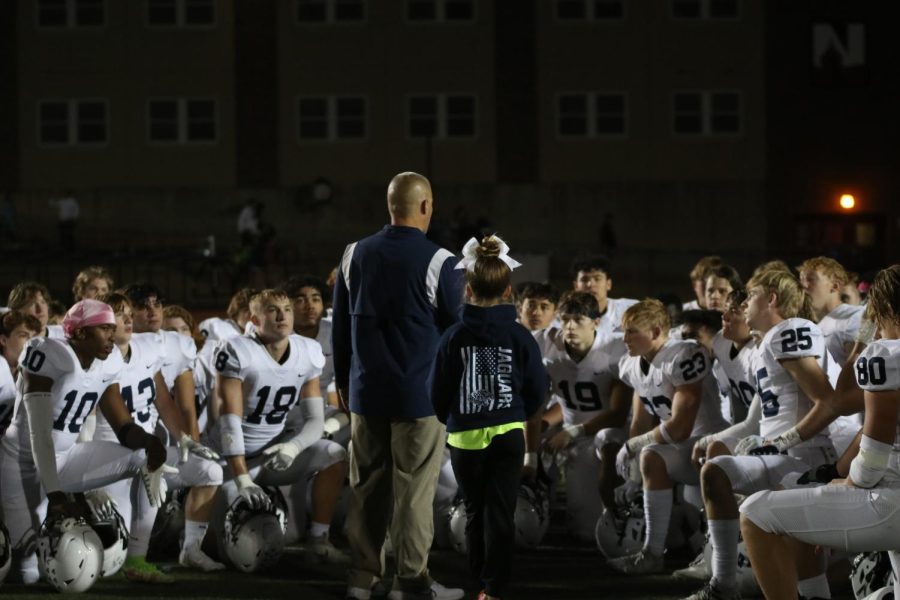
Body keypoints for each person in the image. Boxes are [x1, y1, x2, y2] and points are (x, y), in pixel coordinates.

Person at [333, 171, 465, 600]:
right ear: (425, 206)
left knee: (367, 488)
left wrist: (344, 384)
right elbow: (458, 333)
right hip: (419, 396)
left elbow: (339, 331)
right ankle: (409, 583)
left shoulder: (353, 254)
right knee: (413, 492)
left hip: (365, 392)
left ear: (390, 206)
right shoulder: (440, 261)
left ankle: (363, 576)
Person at [682, 267, 841, 600]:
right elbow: (765, 414)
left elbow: (827, 401)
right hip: (781, 456)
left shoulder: (789, 331)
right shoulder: (767, 342)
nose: (741, 305)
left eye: (750, 296)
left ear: (771, 299)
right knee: (717, 473)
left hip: (805, 457)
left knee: (800, 552)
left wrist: (784, 440)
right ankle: (723, 584)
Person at [0, 299, 169, 583]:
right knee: (27, 572)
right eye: (104, 329)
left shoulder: (108, 361)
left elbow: (123, 426)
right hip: (21, 464)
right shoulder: (50, 355)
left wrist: (150, 442)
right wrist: (57, 496)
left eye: (112, 328)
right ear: (79, 333)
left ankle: (137, 558)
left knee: (142, 459)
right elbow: (39, 435)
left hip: (64, 458)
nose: (112, 336)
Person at [430, 235, 546, 600]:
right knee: (500, 514)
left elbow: (438, 390)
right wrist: (517, 413)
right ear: (508, 289)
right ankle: (495, 590)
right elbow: (537, 388)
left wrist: (454, 416)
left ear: (467, 288)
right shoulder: (520, 334)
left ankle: (479, 581)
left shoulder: (453, 336)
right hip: (510, 432)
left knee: (475, 512)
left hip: (466, 437)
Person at [89, 293, 223, 582]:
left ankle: (187, 550)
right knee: (108, 564)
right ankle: (128, 554)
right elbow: (83, 418)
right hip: (108, 461)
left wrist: (184, 438)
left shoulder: (148, 347)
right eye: (118, 314)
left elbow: (163, 399)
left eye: (128, 313)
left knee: (209, 470)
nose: (126, 319)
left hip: (148, 454)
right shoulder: (95, 358)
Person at [212, 289, 349, 564]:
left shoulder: (307, 351)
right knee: (241, 553)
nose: (282, 316)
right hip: (233, 461)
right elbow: (229, 422)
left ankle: (319, 538)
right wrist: (242, 478)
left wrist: (292, 446)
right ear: (255, 317)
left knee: (334, 454)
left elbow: (314, 420)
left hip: (275, 453)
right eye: (272, 310)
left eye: (286, 309)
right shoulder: (238, 350)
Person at [607, 299, 727, 575]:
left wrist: (636, 444)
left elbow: (681, 428)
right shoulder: (633, 364)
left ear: (657, 330)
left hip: (711, 445)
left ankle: (700, 553)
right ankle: (652, 553)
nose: (625, 338)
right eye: (624, 331)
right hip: (682, 449)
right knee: (650, 458)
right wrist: (633, 476)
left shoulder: (683, 354)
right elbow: (640, 420)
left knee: (705, 538)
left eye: (632, 331)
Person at [533, 291, 631, 529]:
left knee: (590, 526)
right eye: (565, 320)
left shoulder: (615, 347)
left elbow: (619, 413)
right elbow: (534, 400)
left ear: (596, 322)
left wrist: (572, 432)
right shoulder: (543, 342)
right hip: (567, 430)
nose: (570, 327)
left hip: (606, 432)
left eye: (578, 320)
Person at [798, 256, 864, 366]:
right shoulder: (811, 326)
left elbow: (860, 373)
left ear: (834, 286)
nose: (803, 285)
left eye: (811, 279)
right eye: (801, 280)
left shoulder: (853, 317)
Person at [570, 254, 637, 341]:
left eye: (597, 279)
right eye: (584, 279)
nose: (591, 285)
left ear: (608, 284)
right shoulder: (564, 318)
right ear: (575, 286)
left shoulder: (630, 309)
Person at [0, 312, 41, 436]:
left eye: (34, 337)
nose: (32, 343)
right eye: (24, 336)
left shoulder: (22, 371)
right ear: (3, 340)